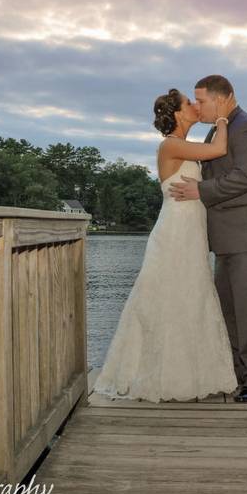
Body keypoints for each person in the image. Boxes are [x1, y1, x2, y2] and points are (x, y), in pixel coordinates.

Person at [92, 88, 238, 402]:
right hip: (175, 232)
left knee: (191, 294)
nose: (195, 107)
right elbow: (220, 149)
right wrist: (224, 116)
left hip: (191, 232)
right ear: (176, 113)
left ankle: (190, 374)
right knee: (169, 295)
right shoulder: (172, 145)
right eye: (189, 103)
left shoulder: (185, 146)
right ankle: (160, 375)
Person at [169, 75, 247, 402]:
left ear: (224, 98)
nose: (197, 106)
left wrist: (199, 190)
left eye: (202, 100)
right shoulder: (219, 128)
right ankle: (235, 371)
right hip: (228, 236)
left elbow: (246, 177)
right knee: (228, 308)